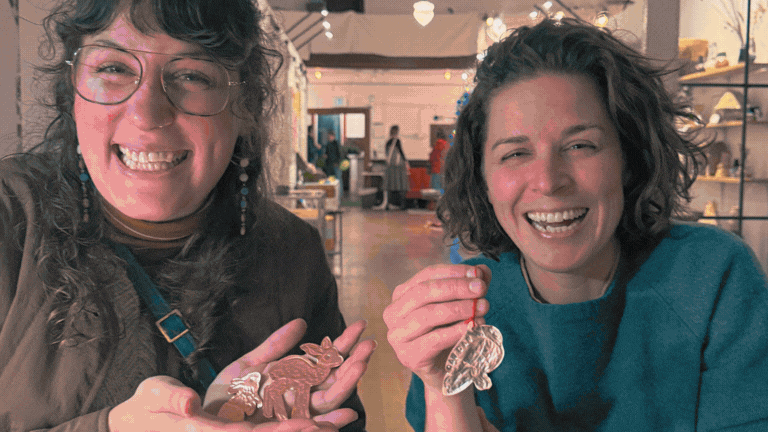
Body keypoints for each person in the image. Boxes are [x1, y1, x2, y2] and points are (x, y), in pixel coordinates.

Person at [0, 0, 376, 431]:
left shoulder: (290, 253)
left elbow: (339, 419)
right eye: (114, 69)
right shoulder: (13, 221)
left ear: (243, 103)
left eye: (192, 75)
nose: (147, 114)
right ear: (73, 86)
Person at [383, 18, 768, 432]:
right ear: (483, 179)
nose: (549, 181)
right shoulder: (463, 317)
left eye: (580, 145)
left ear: (628, 156)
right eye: (515, 153)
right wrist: (444, 387)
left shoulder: (710, 278)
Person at [373, 125, 410, 210]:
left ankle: (388, 204)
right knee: (401, 185)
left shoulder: (388, 142)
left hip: (390, 167)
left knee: (389, 186)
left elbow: (386, 154)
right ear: (397, 132)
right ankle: (402, 205)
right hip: (398, 167)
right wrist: (406, 162)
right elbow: (401, 152)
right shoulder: (397, 141)